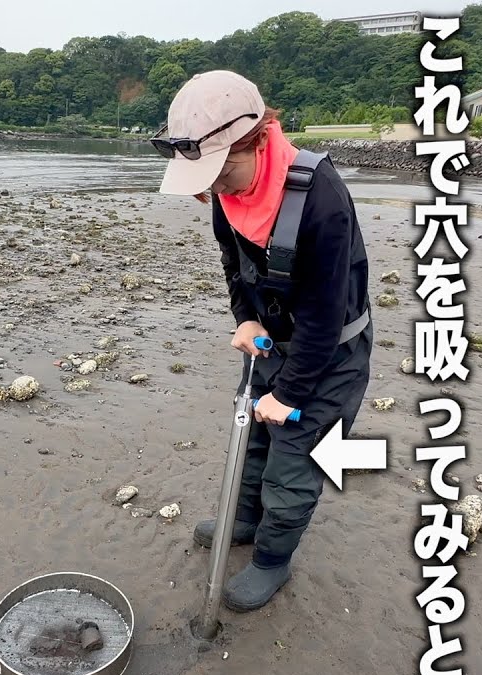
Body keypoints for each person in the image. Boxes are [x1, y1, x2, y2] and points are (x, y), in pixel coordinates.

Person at [150, 70, 373, 612]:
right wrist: (246, 317)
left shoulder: (320, 197)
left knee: (295, 467)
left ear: (253, 140)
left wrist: (291, 395)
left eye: (221, 172)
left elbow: (323, 316)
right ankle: (244, 521)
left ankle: (273, 560)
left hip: (330, 353)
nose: (213, 189)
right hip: (271, 342)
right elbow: (234, 264)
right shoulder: (228, 195)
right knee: (253, 440)